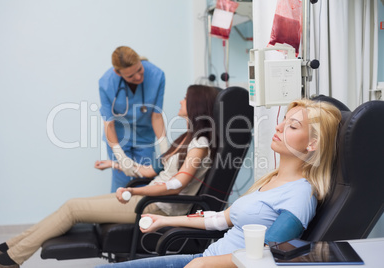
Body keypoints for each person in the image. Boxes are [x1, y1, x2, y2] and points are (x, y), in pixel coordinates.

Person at [0, 85, 219, 268]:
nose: (181, 100)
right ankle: (4, 249)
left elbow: (176, 185)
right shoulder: (188, 139)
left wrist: (134, 191)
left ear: (196, 105)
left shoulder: (200, 143)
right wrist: (114, 164)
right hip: (151, 200)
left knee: (73, 208)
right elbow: (156, 173)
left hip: (156, 208)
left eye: (186, 98)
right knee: (71, 206)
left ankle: (9, 259)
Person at [94, 99, 342, 268]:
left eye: (292, 125)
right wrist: (166, 221)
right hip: (205, 258)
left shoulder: (300, 195)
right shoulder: (272, 179)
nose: (278, 126)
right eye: (284, 119)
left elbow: (267, 254)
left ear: (312, 144)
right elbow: (219, 220)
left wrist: (204, 263)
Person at [98, 46, 167, 192]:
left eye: (139, 70)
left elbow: (156, 115)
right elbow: (109, 124)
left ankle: (142, 215)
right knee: (121, 184)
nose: (138, 77)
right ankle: (117, 213)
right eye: (130, 76)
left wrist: (164, 146)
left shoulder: (157, 75)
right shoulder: (106, 83)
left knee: (145, 181)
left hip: (144, 136)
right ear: (117, 73)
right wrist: (120, 156)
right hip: (119, 136)